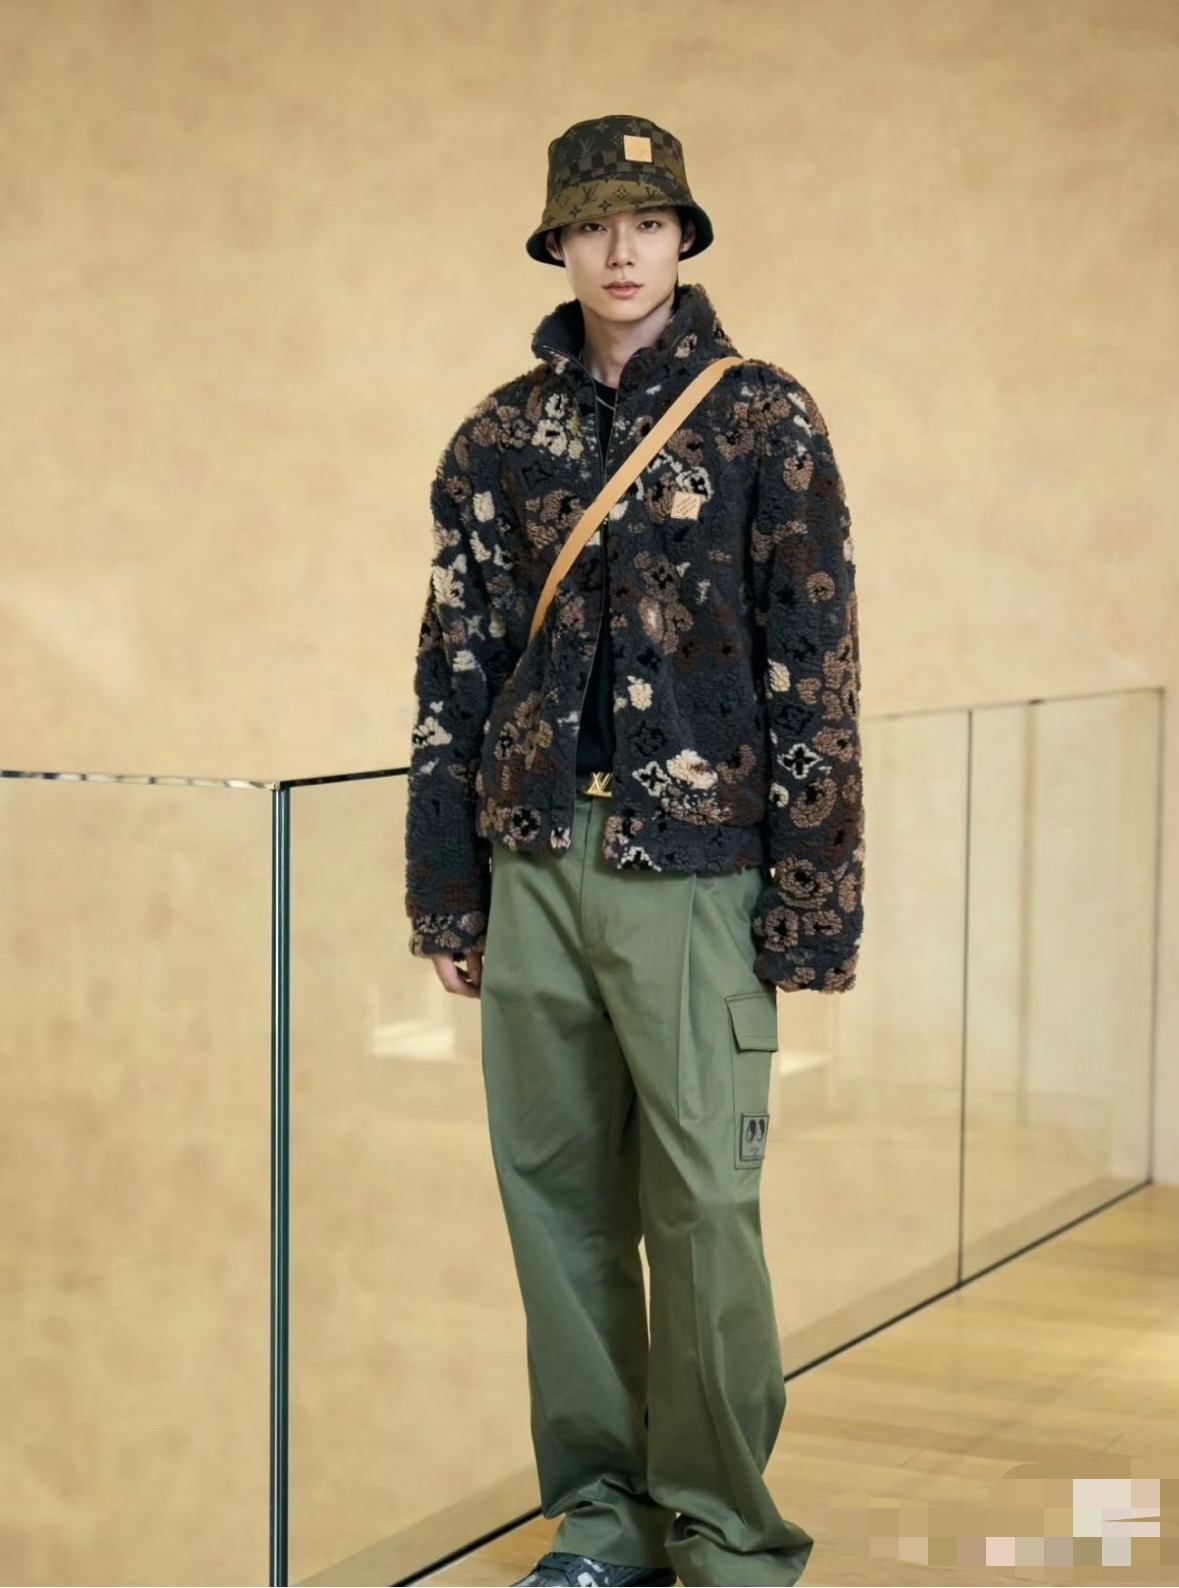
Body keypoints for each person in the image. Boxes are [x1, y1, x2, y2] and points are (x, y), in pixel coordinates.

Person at [404, 113, 864, 1588]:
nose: (621, 250)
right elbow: (455, 674)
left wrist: (814, 902)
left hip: (698, 869)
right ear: (557, 240)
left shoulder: (765, 420)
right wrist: (448, 891)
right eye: (595, 223)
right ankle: (601, 1518)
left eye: (648, 222)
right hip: (534, 857)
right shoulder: (497, 438)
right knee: (556, 1201)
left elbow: (815, 664)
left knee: (706, 1205)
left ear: (682, 237)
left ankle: (726, 1530)